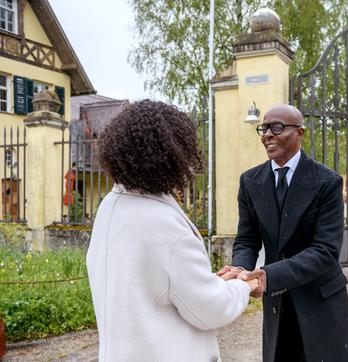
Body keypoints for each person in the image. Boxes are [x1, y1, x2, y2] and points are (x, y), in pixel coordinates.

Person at [87, 100, 259, 362]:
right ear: (171, 155)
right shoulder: (163, 224)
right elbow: (211, 309)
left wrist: (210, 281)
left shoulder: (110, 206)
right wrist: (245, 284)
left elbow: (153, 282)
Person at [217, 104, 348, 361]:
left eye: (277, 127)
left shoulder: (327, 181)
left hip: (321, 300)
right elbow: (248, 239)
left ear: (300, 133)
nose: (267, 134)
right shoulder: (250, 181)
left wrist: (270, 275)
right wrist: (240, 268)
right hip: (278, 303)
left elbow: (325, 251)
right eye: (264, 128)